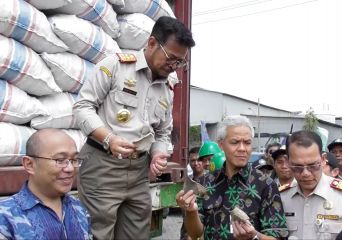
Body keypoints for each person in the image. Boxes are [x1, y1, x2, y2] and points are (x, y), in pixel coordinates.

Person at [73, 16, 195, 239]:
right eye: (171, 58)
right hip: (103, 165)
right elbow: (82, 107)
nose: (174, 66)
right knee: (99, 233)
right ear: (151, 43)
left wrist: (158, 154)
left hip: (139, 171)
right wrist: (109, 138)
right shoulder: (116, 66)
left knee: (137, 234)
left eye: (180, 62)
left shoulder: (168, 87)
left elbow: (162, 132)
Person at [176, 115, 288, 240]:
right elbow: (195, 233)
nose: (242, 148)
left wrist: (254, 236)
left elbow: (278, 237)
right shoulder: (205, 183)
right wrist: (191, 211)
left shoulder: (266, 185)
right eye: (235, 142)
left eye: (247, 142)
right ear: (221, 145)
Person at [0, 129, 91, 239]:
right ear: (29, 164)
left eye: (74, 160)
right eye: (60, 160)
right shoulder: (6, 216)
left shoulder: (79, 208)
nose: (70, 168)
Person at [280, 130, 342, 240]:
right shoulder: (280, 198)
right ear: (288, 162)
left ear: (323, 160)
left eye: (312, 165)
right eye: (297, 167)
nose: (305, 173)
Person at [180, 147, 204, 240]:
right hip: (187, 231)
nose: (196, 163)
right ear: (189, 162)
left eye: (199, 160)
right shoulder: (186, 182)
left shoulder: (211, 181)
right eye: (193, 160)